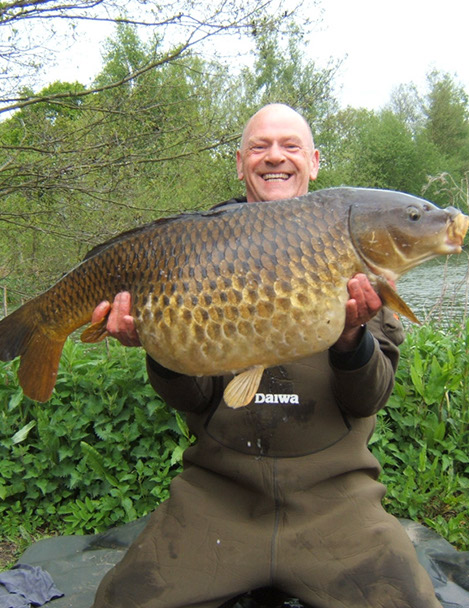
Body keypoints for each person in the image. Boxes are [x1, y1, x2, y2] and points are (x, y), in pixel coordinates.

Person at [89, 104, 441, 608]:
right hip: (218, 497)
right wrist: (159, 345)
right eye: (260, 146)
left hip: (335, 500)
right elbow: (191, 397)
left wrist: (351, 339)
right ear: (240, 163)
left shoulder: (360, 260)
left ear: (314, 161)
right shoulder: (198, 248)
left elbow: (369, 399)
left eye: (290, 146)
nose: (275, 157)